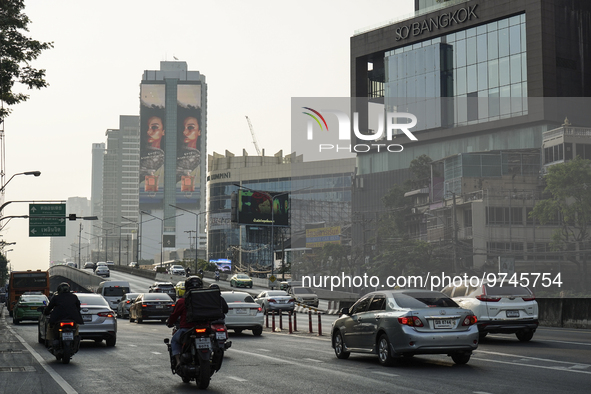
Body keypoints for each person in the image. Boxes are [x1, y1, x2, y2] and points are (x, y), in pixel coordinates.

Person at [166, 276, 204, 369]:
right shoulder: (206, 301)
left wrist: (169, 323)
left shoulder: (182, 301)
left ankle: (178, 361)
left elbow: (174, 315)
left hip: (186, 329)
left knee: (174, 341)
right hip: (205, 327)